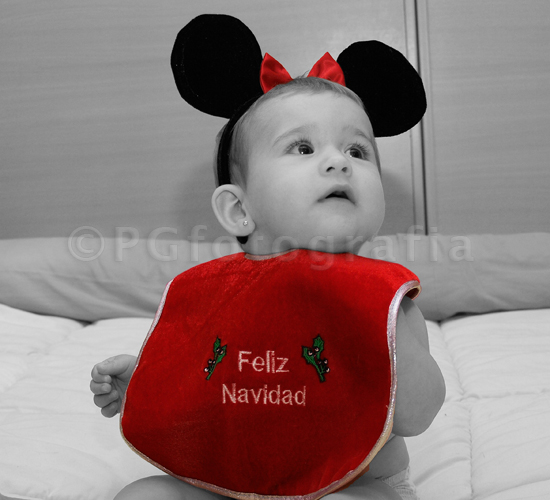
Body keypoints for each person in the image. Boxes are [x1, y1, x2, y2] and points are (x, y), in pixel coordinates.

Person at [91, 14, 445, 500]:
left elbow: (417, 414)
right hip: (232, 481)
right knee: (143, 495)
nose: (338, 161)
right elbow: (204, 378)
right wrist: (146, 384)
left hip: (354, 482)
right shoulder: (216, 292)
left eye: (358, 151)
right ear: (239, 210)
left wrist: (383, 332)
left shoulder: (387, 300)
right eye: (303, 147)